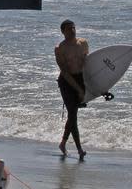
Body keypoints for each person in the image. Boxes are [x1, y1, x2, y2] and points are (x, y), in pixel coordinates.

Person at [55, 19, 88, 159]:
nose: (72, 30)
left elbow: (88, 65)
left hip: (80, 79)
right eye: (69, 29)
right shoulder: (59, 49)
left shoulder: (83, 43)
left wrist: (92, 87)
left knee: (72, 114)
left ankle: (63, 143)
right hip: (66, 82)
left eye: (73, 27)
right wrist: (79, 90)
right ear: (63, 32)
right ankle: (79, 149)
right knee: (73, 114)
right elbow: (65, 72)